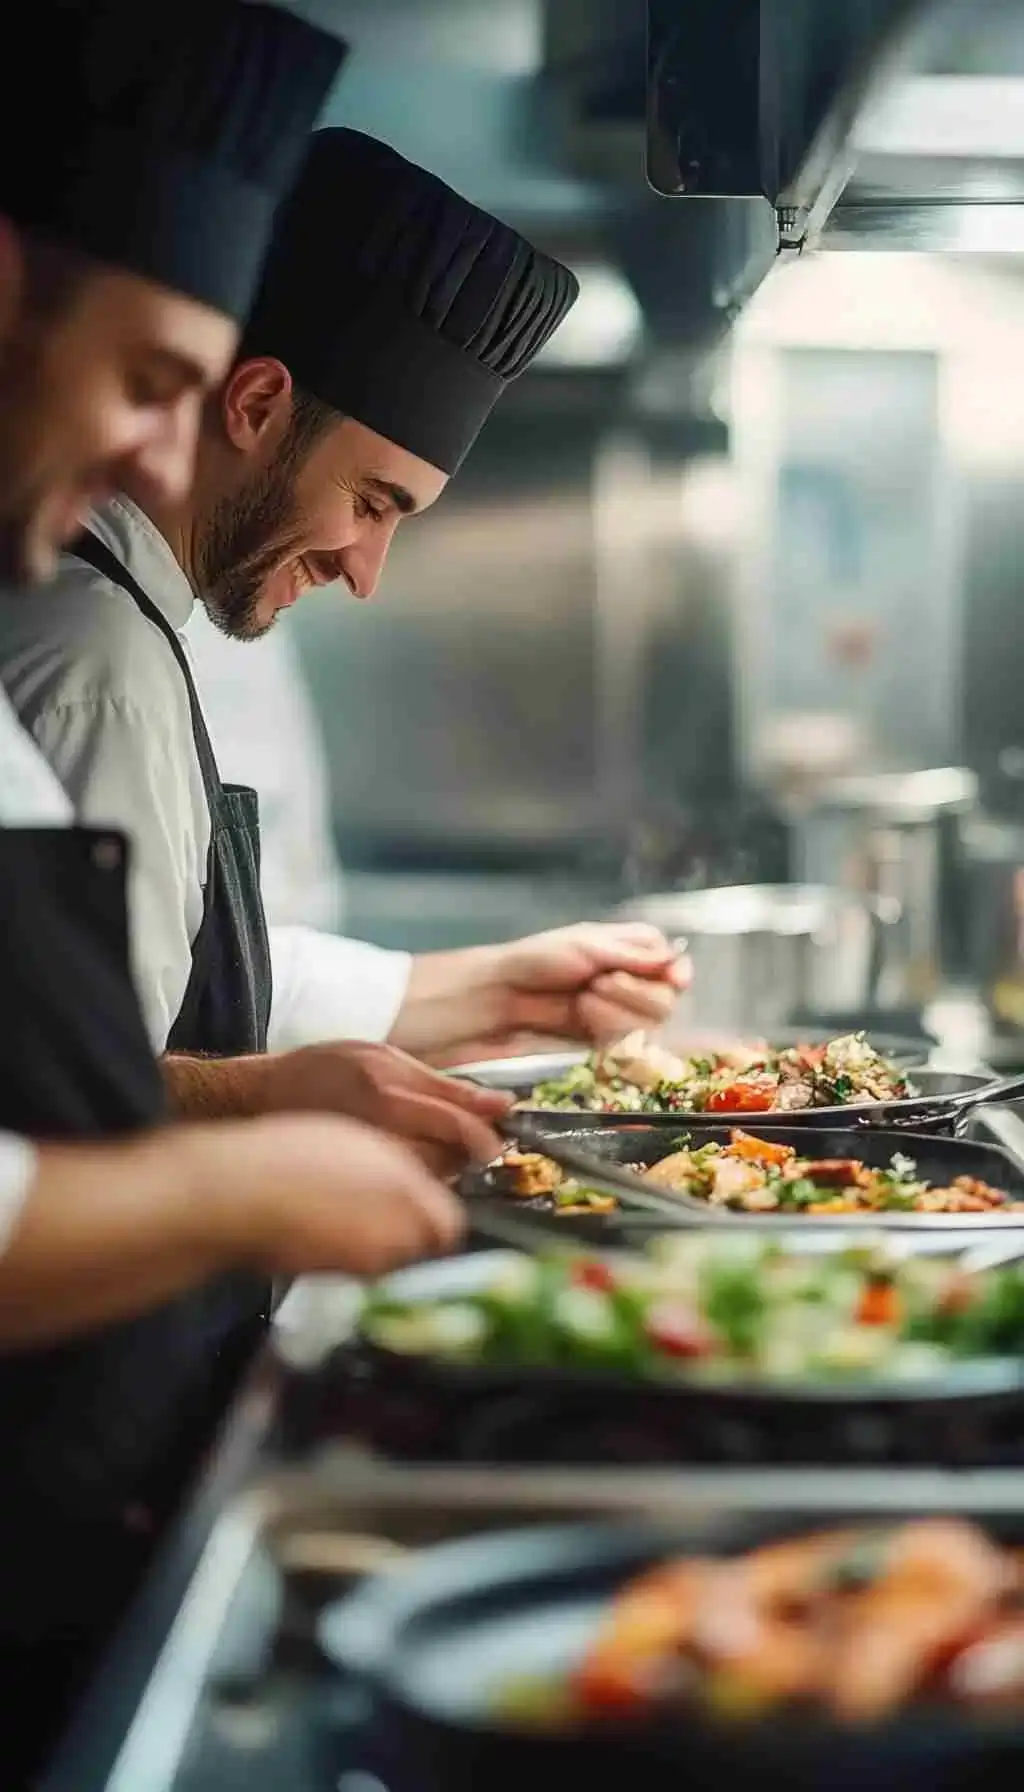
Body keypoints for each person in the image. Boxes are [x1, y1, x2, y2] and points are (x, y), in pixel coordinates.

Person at [0, 10, 479, 1786]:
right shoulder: (83, 647)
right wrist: (250, 1159)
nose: (153, 464)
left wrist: (404, 1015)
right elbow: (70, 1105)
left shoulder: (102, 629)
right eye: (146, 385)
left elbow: (88, 1042)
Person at [0, 127, 691, 1120]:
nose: (365, 573)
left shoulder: (131, 626)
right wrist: (281, 1105)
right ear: (256, 403)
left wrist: (497, 991)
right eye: (372, 504)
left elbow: (130, 1009)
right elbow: (65, 1114)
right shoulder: (100, 663)